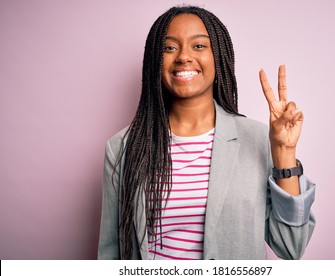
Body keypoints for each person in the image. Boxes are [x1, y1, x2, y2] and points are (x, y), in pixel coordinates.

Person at [98, 5, 316, 260]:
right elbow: (110, 253)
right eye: (169, 47)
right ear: (154, 62)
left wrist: (284, 152)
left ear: (219, 57)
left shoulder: (259, 140)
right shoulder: (123, 147)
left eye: (199, 46)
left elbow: (292, 246)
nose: (183, 57)